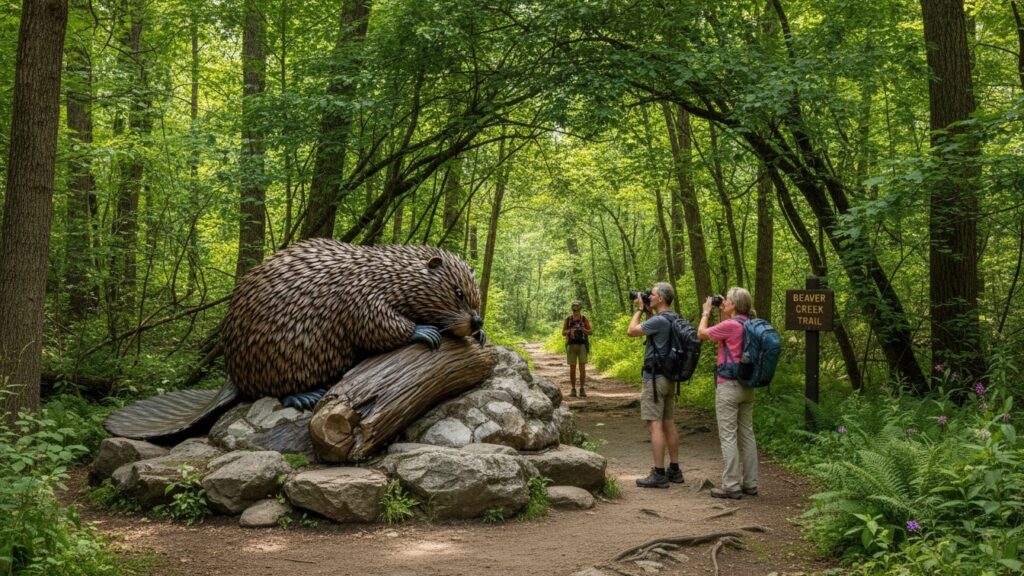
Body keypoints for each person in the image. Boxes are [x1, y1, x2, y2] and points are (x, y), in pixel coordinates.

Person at [697, 287, 759, 499]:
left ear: (733, 305)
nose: (725, 302)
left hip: (728, 386)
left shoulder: (731, 325)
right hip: (747, 386)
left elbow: (702, 334)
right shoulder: (749, 323)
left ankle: (731, 485)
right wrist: (723, 309)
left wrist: (706, 312)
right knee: (747, 435)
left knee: (728, 436)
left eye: (728, 301)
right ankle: (750, 483)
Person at [626, 282, 684, 488]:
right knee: (668, 422)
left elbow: (632, 331)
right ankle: (675, 470)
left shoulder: (660, 320)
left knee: (655, 424)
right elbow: (656, 333)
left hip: (655, 378)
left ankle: (659, 473)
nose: (648, 296)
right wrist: (649, 311)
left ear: (660, 298)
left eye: (651, 295)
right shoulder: (673, 318)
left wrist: (640, 309)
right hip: (669, 378)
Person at [562, 300, 592, 397]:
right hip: (571, 345)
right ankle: (573, 389)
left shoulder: (584, 319)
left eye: (577, 307)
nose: (575, 309)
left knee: (582, 369)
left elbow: (590, 331)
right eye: (574, 307)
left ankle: (582, 389)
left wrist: (584, 330)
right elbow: (563, 332)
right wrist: (569, 332)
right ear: (572, 308)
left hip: (582, 346)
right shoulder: (568, 319)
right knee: (572, 369)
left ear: (580, 308)